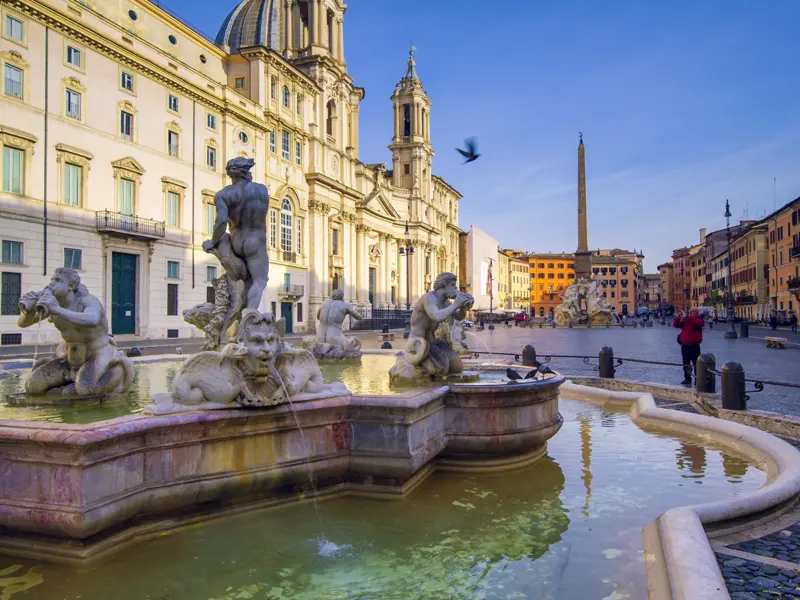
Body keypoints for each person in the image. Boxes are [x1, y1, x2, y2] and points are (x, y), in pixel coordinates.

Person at [17, 268, 134, 396]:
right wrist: (27, 311)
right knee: (32, 385)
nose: (51, 283)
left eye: (57, 280)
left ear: (71, 286)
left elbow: (92, 319)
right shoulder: (53, 303)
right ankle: (70, 384)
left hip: (96, 356)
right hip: (69, 360)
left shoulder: (87, 301)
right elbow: (23, 323)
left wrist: (56, 310)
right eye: (52, 279)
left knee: (86, 390)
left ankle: (116, 371)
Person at [203, 157, 269, 311]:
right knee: (258, 281)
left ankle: (238, 317)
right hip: (255, 241)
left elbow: (221, 222)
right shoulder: (261, 190)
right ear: (245, 172)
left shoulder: (223, 194)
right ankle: (249, 318)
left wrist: (212, 242)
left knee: (247, 282)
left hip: (236, 241)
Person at [674, 308, 704, 386]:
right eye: (691, 312)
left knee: (696, 363)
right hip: (685, 346)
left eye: (694, 312)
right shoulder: (687, 320)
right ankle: (687, 378)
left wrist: (687, 317)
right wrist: (677, 318)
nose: (692, 313)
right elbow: (676, 325)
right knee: (686, 363)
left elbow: (696, 322)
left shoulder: (699, 321)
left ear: (697, 313)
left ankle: (697, 379)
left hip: (694, 346)